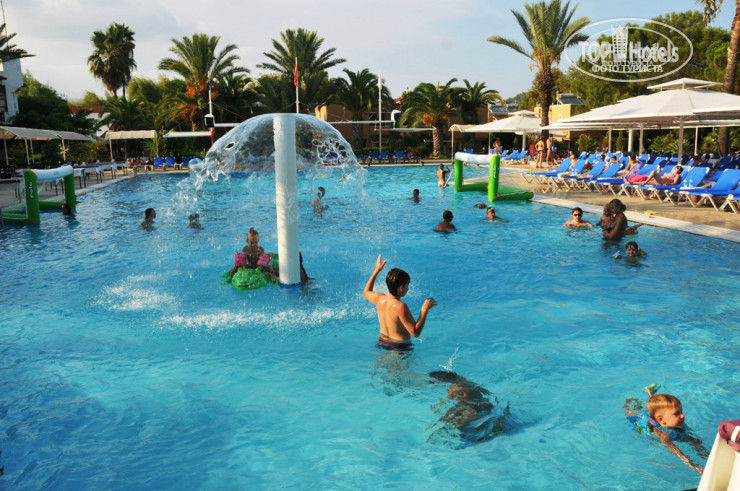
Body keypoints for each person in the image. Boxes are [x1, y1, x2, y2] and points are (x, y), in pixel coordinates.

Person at [624, 384, 707, 474]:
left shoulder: (678, 423)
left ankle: (650, 393)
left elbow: (694, 440)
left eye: (681, 411)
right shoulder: (664, 435)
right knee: (634, 413)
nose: (683, 415)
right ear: (661, 419)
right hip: (642, 422)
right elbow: (675, 450)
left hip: (658, 418)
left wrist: (703, 452)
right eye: (677, 413)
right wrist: (693, 465)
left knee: (654, 408)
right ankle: (627, 404)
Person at [363, 254, 437, 350]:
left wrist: (377, 270)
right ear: (401, 288)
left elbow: (366, 291)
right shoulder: (400, 306)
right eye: (407, 285)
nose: (408, 289)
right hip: (399, 347)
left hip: (382, 342)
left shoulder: (380, 299)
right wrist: (424, 310)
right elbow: (415, 333)